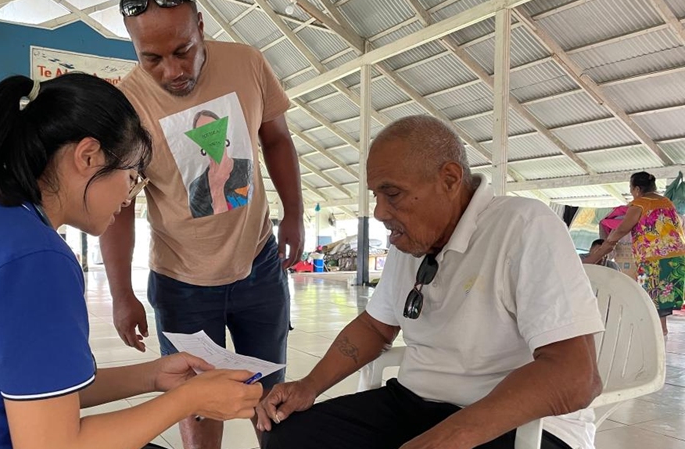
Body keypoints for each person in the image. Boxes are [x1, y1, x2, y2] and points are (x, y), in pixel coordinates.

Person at [0, 74, 263, 449]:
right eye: (131, 177)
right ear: (87, 156)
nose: (129, 197)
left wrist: (152, 376)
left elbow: (41, 391)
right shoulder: (33, 258)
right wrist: (191, 400)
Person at [256, 115, 604, 449]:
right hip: (414, 403)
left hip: (517, 423)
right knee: (289, 437)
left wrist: (454, 435)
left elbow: (576, 376)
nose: (378, 211)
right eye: (376, 194)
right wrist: (309, 386)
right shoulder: (410, 241)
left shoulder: (524, 226)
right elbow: (376, 328)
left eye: (392, 193)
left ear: (450, 180)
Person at [99, 0, 304, 448]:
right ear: (133, 47)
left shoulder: (247, 63)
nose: (172, 71)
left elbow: (276, 138)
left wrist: (293, 213)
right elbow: (121, 208)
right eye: (151, 58)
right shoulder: (126, 105)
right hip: (182, 283)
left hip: (259, 267)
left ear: (201, 26)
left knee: (270, 396)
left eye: (183, 50)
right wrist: (121, 293)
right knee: (195, 400)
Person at [586, 171, 685, 336]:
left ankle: (655, 332)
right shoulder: (667, 202)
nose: (632, 194)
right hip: (676, 257)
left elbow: (622, 229)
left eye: (631, 190)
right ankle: (662, 330)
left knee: (649, 295)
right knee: (661, 299)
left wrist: (597, 254)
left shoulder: (640, 204)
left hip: (654, 258)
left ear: (637, 189)